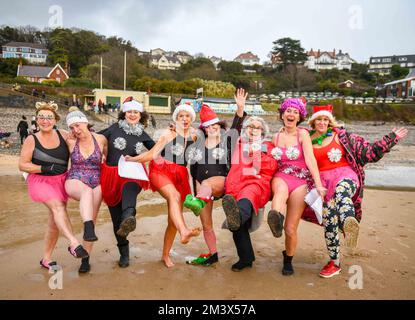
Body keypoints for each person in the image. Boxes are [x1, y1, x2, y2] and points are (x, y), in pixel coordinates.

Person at [307, 105, 408, 278]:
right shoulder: (306, 140)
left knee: (342, 191)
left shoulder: (342, 136)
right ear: (313, 122)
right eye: (319, 119)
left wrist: (390, 139)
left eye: (326, 119)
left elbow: (368, 152)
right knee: (329, 222)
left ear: (330, 121)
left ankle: (349, 223)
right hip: (324, 185)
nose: (322, 122)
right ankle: (335, 263)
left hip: (346, 176)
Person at [126, 103, 201, 268]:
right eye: (181, 116)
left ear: (192, 118)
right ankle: (185, 231)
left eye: (187, 116)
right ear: (176, 118)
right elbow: (152, 154)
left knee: (173, 219)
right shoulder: (168, 133)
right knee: (174, 196)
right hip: (161, 170)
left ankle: (165, 255)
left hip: (180, 175)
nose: (184, 119)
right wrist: (133, 159)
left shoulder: (195, 135)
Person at [19, 101, 89, 271]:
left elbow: (83, 144)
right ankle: (73, 243)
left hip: (61, 180)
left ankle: (46, 258)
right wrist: (44, 168)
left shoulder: (64, 134)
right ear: (36, 120)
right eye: (41, 117)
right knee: (58, 208)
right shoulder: (31, 139)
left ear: (55, 120)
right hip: (40, 180)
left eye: (49, 117)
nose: (45, 120)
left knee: (54, 221)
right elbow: (22, 165)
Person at [183, 89, 247, 266]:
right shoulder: (197, 145)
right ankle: (213, 254)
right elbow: (193, 170)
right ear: (204, 129)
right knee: (206, 224)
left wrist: (240, 108)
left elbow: (237, 127)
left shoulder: (227, 141)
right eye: (209, 127)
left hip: (221, 182)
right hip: (202, 190)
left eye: (215, 126)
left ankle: (197, 200)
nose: (212, 129)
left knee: (208, 182)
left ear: (220, 127)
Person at [267, 97, 326, 276]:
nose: (291, 114)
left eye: (295, 112)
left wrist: (318, 184)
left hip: (300, 181)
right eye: (288, 111)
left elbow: (310, 159)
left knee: (291, 229)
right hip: (281, 176)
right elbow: (270, 162)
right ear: (282, 114)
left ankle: (288, 259)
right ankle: (275, 219)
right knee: (280, 190)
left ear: (299, 116)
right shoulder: (275, 136)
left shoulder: (303, 134)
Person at [98, 97, 155, 268]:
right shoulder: (113, 128)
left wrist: (173, 136)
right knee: (117, 221)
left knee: (130, 187)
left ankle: (129, 215)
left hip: (133, 172)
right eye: (129, 111)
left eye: (135, 112)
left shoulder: (142, 133)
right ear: (124, 113)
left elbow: (157, 149)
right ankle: (124, 251)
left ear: (140, 115)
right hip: (111, 175)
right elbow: (93, 139)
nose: (132, 114)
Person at [222, 113, 278, 272]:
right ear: (245, 129)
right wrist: (239, 112)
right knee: (238, 227)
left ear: (263, 132)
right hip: (235, 186)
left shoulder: (266, 146)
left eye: (257, 128)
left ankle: (236, 217)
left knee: (244, 204)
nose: (253, 130)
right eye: (250, 126)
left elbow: (272, 167)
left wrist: (255, 153)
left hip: (256, 183)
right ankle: (246, 258)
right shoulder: (237, 144)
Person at [65, 107, 108, 273]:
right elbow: (51, 132)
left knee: (93, 219)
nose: (75, 130)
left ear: (85, 122)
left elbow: (109, 158)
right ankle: (88, 225)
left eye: (77, 125)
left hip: (97, 180)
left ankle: (85, 260)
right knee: (86, 193)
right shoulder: (69, 140)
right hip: (75, 178)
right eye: (71, 127)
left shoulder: (101, 139)